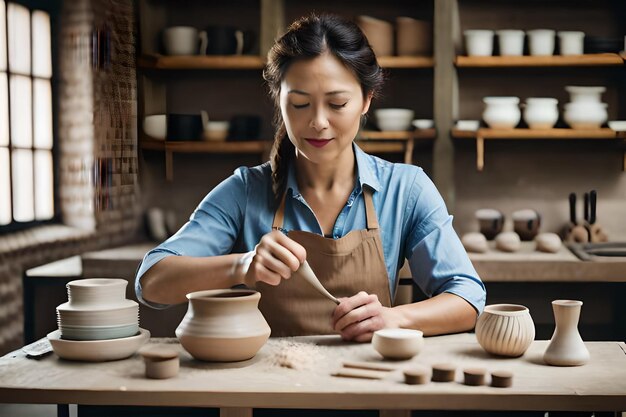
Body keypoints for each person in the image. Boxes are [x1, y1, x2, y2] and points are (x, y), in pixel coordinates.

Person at [135, 13, 485, 341]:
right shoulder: (245, 191)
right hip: (270, 392)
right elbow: (151, 283)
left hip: (371, 387)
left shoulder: (405, 189)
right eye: (300, 104)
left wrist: (396, 319)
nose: (318, 122)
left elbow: (468, 297)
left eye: (336, 104)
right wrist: (241, 266)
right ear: (279, 100)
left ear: (366, 100)